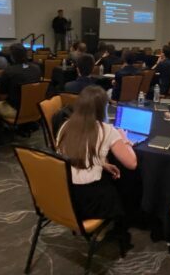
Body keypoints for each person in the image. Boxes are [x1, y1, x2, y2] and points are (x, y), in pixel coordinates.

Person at [56, 85, 137, 249]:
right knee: (123, 184)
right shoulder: (107, 130)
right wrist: (125, 140)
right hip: (89, 200)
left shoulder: (65, 126)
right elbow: (132, 163)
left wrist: (102, 163)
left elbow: (74, 156)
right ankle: (105, 228)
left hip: (64, 193)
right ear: (103, 109)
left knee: (109, 175)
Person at [0, 44, 41, 119]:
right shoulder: (37, 68)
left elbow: (3, 96)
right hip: (36, 107)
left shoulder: (8, 71)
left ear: (12, 57)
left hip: (16, 110)